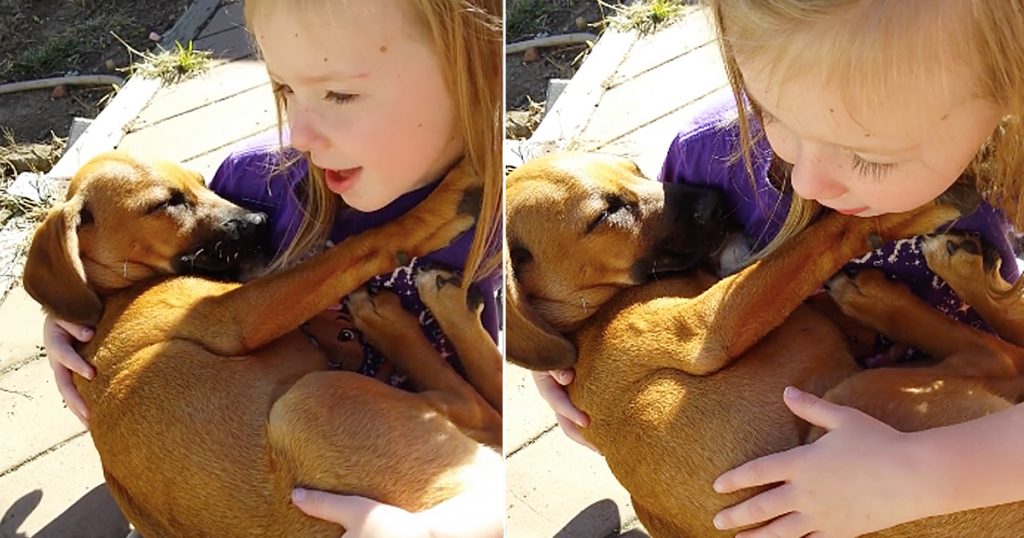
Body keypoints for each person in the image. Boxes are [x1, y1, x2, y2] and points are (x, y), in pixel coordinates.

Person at [534, 1, 1024, 536]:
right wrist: (545, 337)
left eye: (870, 158)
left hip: (945, 448)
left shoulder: (1005, 165)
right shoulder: (708, 157)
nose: (807, 181)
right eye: (770, 112)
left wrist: (917, 475)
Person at [43, 1, 503, 536]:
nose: (299, 134)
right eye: (283, 88)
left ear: (484, 74)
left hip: (413, 480)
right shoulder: (253, 181)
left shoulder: (497, 213)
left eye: (340, 93)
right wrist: (72, 306)